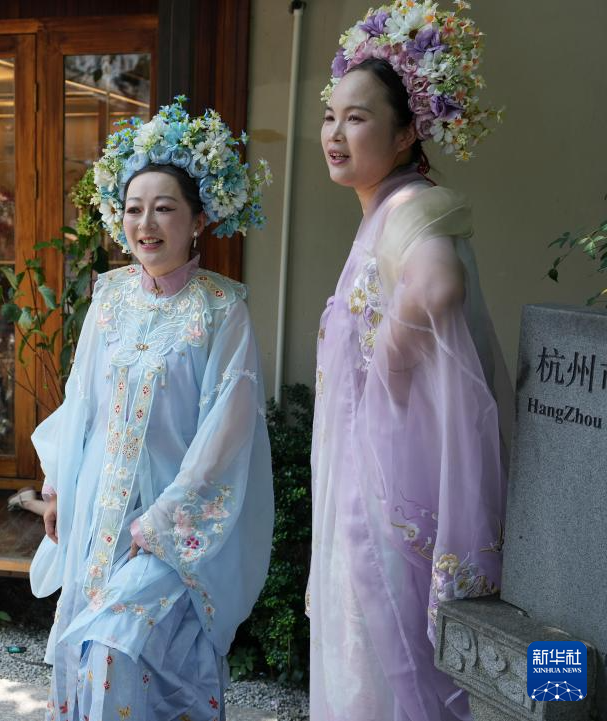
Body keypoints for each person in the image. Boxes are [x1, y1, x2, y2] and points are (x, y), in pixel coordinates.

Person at [29, 98, 275, 720]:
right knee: (86, 650)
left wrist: (162, 524)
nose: (147, 223)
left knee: (120, 649)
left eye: (164, 208)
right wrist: (56, 486)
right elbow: (80, 401)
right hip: (97, 514)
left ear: (198, 219)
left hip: (172, 525)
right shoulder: (110, 296)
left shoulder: (223, 309)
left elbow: (227, 433)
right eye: (134, 208)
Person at [309, 3, 510, 719]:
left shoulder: (411, 209)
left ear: (405, 134)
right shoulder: (380, 214)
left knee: (396, 677)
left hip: (392, 496)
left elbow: (438, 286)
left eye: (357, 118)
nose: (335, 133)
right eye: (330, 116)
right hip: (366, 490)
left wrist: (391, 370)